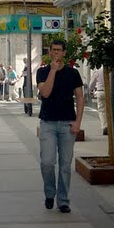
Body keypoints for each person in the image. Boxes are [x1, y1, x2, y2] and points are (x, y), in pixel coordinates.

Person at [36, 37, 84, 214]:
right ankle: (50, 193)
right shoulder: (42, 72)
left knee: (65, 165)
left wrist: (78, 122)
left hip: (67, 124)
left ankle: (63, 200)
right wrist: (53, 72)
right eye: (53, 50)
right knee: (47, 162)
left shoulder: (73, 73)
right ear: (49, 52)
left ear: (64, 53)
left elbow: (80, 97)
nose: (56, 53)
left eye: (59, 50)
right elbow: (45, 93)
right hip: (47, 123)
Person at [88, 65, 108, 135]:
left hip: (100, 91)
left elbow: (91, 84)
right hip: (109, 92)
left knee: (102, 110)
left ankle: (105, 126)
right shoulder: (111, 68)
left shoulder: (97, 71)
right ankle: (111, 126)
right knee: (110, 110)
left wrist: (90, 90)